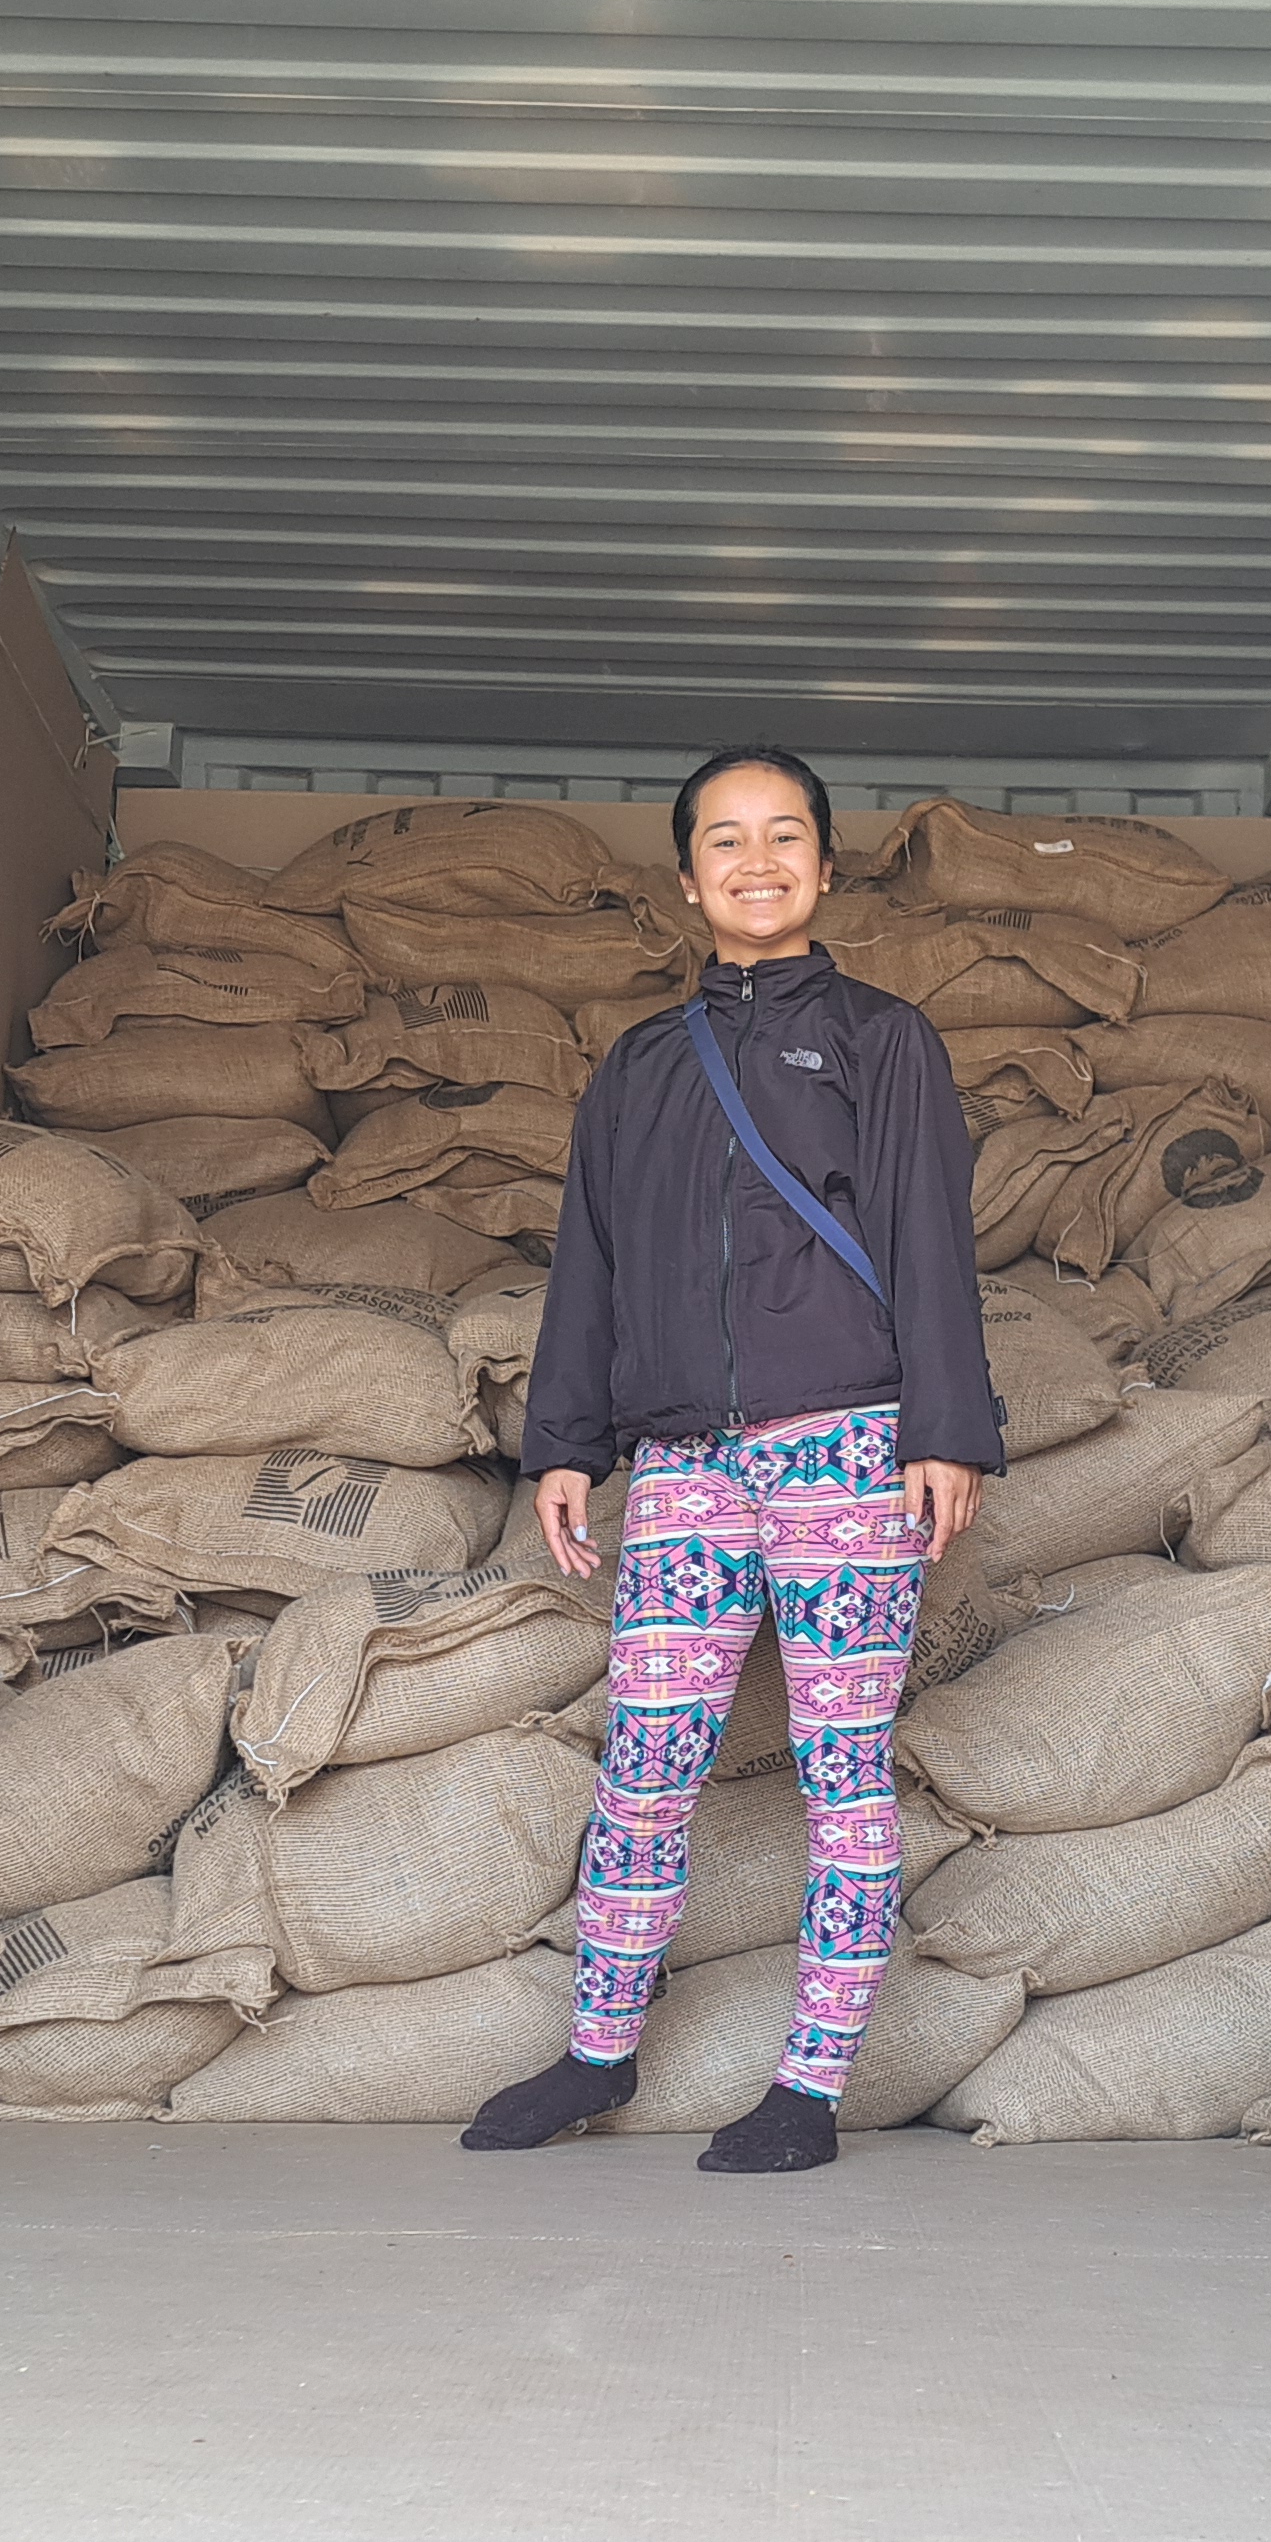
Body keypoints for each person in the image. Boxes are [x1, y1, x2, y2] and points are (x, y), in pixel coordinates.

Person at [467, 748, 1001, 2173]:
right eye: (726, 840)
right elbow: (590, 1260)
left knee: (842, 1772)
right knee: (646, 1762)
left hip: (847, 1446)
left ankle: (809, 2089)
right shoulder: (639, 1067)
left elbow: (932, 1235)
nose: (757, 862)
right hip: (684, 1464)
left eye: (784, 837)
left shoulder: (886, 1039)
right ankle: (598, 2053)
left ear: (826, 864)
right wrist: (564, 1444)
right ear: (686, 877)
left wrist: (946, 1428)